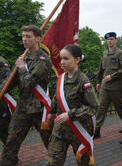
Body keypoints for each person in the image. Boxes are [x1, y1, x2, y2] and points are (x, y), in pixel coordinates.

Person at [0, 25, 52, 166]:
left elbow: (29, 82)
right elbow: (10, 82)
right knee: (11, 140)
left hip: (39, 109)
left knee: (50, 143)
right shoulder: (22, 58)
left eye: (28, 36)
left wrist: (22, 67)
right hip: (23, 108)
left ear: (37, 38)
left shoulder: (43, 60)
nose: (24, 39)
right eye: (23, 36)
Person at [47, 44, 98, 165]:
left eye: (66, 58)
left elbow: (93, 107)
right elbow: (57, 97)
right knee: (53, 162)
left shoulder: (83, 80)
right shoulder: (61, 78)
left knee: (83, 162)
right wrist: (51, 112)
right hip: (60, 129)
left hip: (79, 129)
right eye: (61, 58)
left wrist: (70, 115)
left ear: (77, 60)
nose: (62, 62)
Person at [94, 32, 122, 138]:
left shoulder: (120, 53)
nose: (109, 41)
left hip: (116, 86)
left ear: (116, 40)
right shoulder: (104, 53)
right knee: (101, 107)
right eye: (108, 39)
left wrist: (112, 76)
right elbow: (101, 70)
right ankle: (97, 130)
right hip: (105, 86)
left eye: (111, 39)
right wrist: (98, 82)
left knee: (120, 107)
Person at [0, 56, 11, 145]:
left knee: (4, 130)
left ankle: (10, 156)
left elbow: (7, 80)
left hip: (1, 103)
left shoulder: (1, 61)